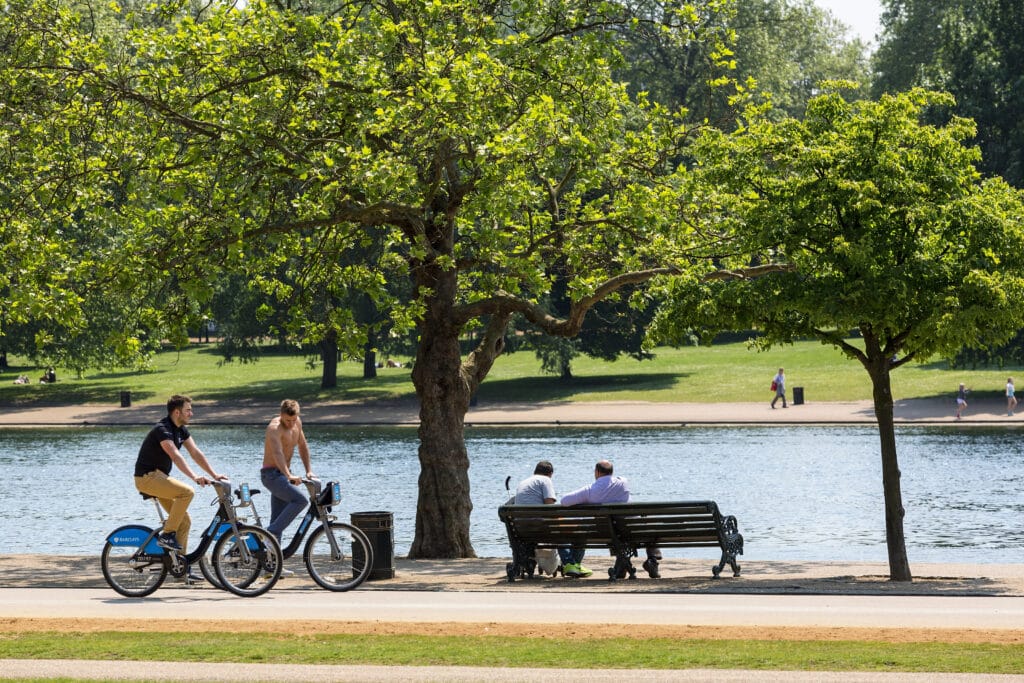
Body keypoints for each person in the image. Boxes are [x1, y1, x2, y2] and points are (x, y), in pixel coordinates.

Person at [134, 395, 228, 580]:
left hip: (159, 477)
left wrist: (214, 474)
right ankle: (167, 535)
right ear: (177, 412)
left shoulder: (180, 429)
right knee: (187, 492)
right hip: (147, 478)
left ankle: (181, 568)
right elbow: (176, 456)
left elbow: (195, 453)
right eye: (188, 410)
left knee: (184, 522)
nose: (191, 413)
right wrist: (194, 477)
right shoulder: (163, 429)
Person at [558, 460, 661, 578]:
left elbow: (564, 501)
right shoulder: (623, 483)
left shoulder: (590, 490)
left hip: (604, 533)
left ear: (596, 472)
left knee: (614, 532)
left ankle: (621, 566)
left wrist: (586, 499)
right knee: (650, 527)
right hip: (630, 530)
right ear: (612, 472)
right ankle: (652, 561)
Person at [261, 400, 315, 568]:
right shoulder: (274, 428)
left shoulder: (297, 422)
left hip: (284, 474)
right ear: (281, 415)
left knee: (277, 519)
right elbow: (277, 454)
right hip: (271, 475)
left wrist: (308, 471)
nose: (290, 423)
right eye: (287, 420)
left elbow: (303, 446)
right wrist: (289, 475)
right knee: (301, 501)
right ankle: (269, 535)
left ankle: (272, 566)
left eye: (293, 420)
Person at [512, 460, 559, 575]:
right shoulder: (546, 480)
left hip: (520, 529)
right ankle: (568, 563)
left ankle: (528, 561)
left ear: (535, 471)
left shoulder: (523, 482)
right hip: (538, 528)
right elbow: (550, 505)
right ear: (550, 473)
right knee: (563, 528)